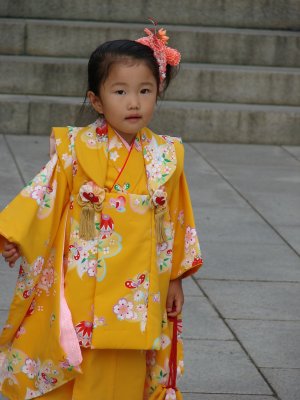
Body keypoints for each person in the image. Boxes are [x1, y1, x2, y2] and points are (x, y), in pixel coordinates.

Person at [0, 22, 203, 400]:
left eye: (145, 91)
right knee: (80, 349)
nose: (134, 102)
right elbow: (45, 195)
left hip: (143, 284)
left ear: (157, 93)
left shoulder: (166, 155)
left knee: (130, 355)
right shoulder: (75, 148)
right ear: (96, 100)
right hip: (85, 276)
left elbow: (175, 219)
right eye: (120, 91)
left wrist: (175, 277)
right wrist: (15, 236)